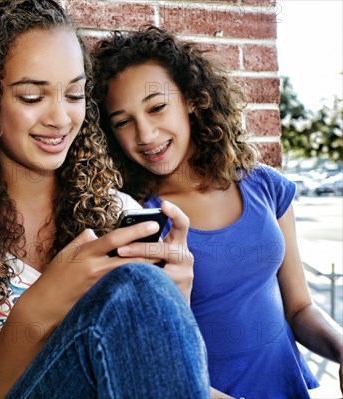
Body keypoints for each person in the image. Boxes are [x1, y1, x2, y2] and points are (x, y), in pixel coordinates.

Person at [0, 2, 211, 398]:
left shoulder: (120, 213)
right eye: (32, 97)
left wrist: (175, 296)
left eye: (74, 94)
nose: (61, 119)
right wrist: (41, 305)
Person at [92, 25, 343, 399]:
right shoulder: (138, 219)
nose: (144, 134)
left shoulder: (265, 186)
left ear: (192, 100)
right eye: (123, 122)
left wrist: (341, 348)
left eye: (157, 107)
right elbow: (157, 357)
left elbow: (300, 307)